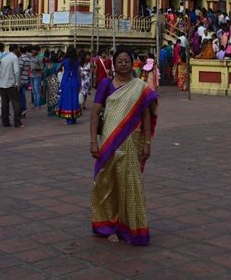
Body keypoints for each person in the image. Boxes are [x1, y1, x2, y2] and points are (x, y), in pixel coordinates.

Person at [90, 46, 158, 245]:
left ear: (132, 62)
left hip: (132, 142)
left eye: (126, 61)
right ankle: (108, 226)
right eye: (119, 61)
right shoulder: (105, 84)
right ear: (114, 63)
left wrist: (147, 143)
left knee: (131, 184)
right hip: (109, 142)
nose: (123, 64)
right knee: (106, 184)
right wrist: (93, 141)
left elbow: (146, 115)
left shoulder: (140, 86)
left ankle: (130, 227)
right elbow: (95, 114)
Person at [56, 46, 82, 124]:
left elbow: (57, 69)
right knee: (74, 99)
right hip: (75, 82)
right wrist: (80, 84)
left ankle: (68, 120)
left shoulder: (65, 60)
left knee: (67, 100)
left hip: (66, 82)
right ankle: (73, 118)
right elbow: (78, 73)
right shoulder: (77, 61)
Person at [0, 44, 22, 128]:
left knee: (4, 105)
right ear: (15, 49)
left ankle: (5, 122)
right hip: (11, 84)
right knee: (16, 104)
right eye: (18, 49)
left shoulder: (4, 58)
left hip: (2, 84)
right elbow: (16, 71)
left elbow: (0, 70)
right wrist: (17, 83)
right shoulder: (14, 58)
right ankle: (17, 122)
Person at [18, 46, 31, 115]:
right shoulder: (28, 59)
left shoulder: (21, 59)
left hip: (21, 79)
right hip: (26, 78)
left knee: (21, 95)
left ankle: (23, 109)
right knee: (23, 94)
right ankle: (23, 109)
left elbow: (19, 69)